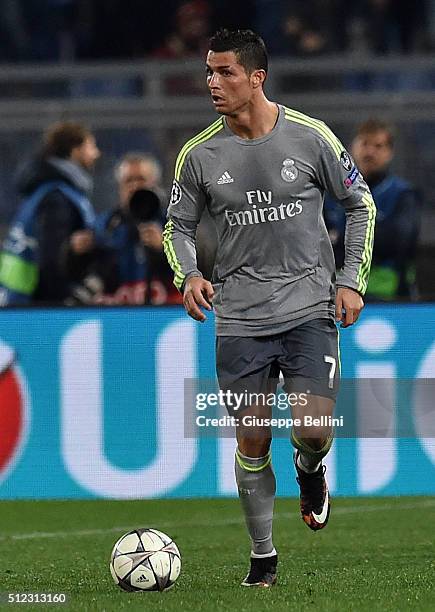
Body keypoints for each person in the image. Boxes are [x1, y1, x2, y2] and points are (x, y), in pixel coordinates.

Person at [163, 29, 375, 587]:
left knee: (312, 427)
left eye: (226, 72)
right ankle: (263, 557)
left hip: (309, 308)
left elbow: (361, 204)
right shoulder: (199, 154)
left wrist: (351, 280)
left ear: (257, 78)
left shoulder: (310, 137)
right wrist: (188, 273)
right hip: (240, 318)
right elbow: (176, 227)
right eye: (209, 71)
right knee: (252, 439)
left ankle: (310, 467)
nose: (212, 82)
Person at [0, 121, 100, 305]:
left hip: (15, 295)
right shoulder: (57, 199)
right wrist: (63, 301)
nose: (96, 153)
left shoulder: (42, 190)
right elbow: (51, 258)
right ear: (75, 150)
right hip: (36, 304)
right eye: (91, 146)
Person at [325, 118, 421, 300]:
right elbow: (317, 243)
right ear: (353, 146)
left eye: (378, 146)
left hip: (390, 297)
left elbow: (398, 243)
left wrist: (339, 236)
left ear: (390, 152)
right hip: (335, 292)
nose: (369, 152)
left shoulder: (403, 194)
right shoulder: (330, 192)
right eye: (365, 143)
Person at [95, 153, 181, 305]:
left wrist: (165, 248)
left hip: (168, 312)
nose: (134, 186)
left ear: (155, 183)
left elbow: (202, 264)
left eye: (141, 179)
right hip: (119, 313)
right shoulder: (107, 225)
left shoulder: (176, 221)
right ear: (120, 187)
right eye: (128, 181)